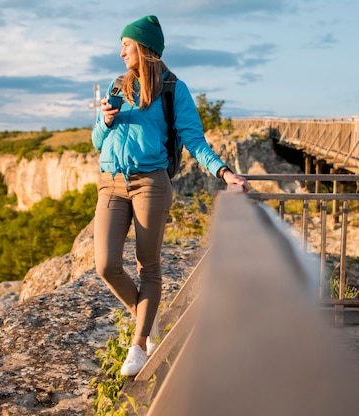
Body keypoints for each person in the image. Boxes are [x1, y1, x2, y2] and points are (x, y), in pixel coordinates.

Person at [91, 15, 249, 377]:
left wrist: (224, 172)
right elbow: (98, 142)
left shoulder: (173, 89)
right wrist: (105, 122)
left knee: (149, 267)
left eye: (126, 45)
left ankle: (139, 343)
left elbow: (193, 139)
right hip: (111, 182)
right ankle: (147, 316)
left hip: (151, 184)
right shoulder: (118, 85)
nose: (120, 53)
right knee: (106, 265)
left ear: (144, 48)